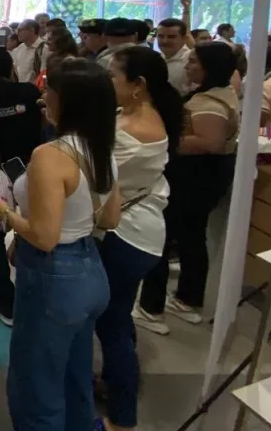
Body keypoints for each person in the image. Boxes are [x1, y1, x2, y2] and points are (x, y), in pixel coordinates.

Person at [0, 59, 121, 431]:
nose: (41, 97)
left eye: (48, 89)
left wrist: (4, 213)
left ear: (67, 99)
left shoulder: (50, 156)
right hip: (90, 269)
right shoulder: (102, 148)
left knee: (36, 387)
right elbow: (111, 218)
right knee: (74, 378)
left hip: (52, 276)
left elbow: (45, 236)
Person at [97, 47, 182, 431]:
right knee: (118, 318)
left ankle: (122, 415)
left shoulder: (134, 132)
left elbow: (93, 177)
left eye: (113, 76)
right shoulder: (132, 116)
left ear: (138, 84)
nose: (108, 82)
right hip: (137, 230)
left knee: (112, 325)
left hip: (127, 235)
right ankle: (117, 382)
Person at [137, 41, 239, 330]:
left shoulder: (210, 103)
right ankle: (187, 298)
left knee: (166, 236)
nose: (188, 65)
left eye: (194, 61)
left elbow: (211, 142)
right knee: (191, 235)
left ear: (209, 68)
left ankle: (152, 307)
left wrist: (165, 139)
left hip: (195, 176)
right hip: (201, 175)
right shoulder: (214, 93)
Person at [0, 46, 44, 325]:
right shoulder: (29, 93)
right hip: (32, 171)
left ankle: (6, 298)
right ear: (9, 68)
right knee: (33, 230)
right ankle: (33, 296)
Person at [157, 17, 193, 95]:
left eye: (171, 37)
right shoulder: (156, 59)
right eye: (160, 36)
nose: (165, 41)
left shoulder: (191, 61)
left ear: (184, 38)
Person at [11, 19, 44, 84]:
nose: (17, 33)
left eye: (20, 30)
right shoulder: (20, 48)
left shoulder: (43, 48)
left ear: (31, 30)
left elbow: (43, 74)